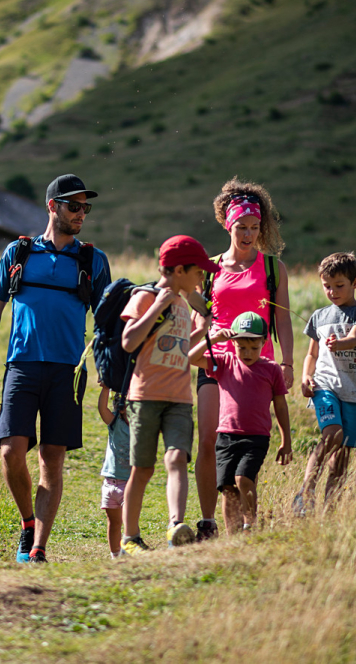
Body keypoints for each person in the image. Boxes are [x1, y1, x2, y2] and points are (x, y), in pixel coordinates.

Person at [0, 174, 111, 564]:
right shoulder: (19, 253)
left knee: (52, 456)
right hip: (22, 365)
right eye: (73, 205)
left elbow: (106, 320)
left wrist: (110, 372)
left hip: (68, 371)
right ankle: (27, 522)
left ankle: (38, 547)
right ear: (52, 206)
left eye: (85, 207)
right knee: (10, 452)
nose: (81, 213)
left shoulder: (92, 260)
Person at [193, 178, 294, 542]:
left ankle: (246, 527)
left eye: (254, 227)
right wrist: (199, 341)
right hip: (215, 363)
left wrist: (288, 362)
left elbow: (281, 319)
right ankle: (208, 523)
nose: (248, 234)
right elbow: (200, 314)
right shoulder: (211, 267)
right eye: (241, 227)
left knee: (248, 446)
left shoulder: (272, 269)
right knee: (209, 441)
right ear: (227, 224)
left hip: (256, 368)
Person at [120, 235, 221, 556]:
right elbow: (129, 341)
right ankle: (130, 538)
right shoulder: (146, 296)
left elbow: (178, 348)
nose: (201, 279)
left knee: (177, 457)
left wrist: (203, 331)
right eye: (198, 273)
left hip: (180, 397)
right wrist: (158, 306)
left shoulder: (184, 304)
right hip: (145, 395)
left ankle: (176, 525)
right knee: (143, 468)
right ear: (179, 270)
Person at [188, 311, 293, 534]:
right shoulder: (224, 362)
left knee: (243, 477)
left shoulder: (271, 369)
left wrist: (286, 440)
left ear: (264, 343)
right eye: (241, 347)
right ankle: (233, 536)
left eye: (254, 348)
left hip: (256, 437)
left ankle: (250, 525)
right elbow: (189, 358)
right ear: (232, 343)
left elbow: (281, 407)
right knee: (227, 488)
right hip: (226, 436)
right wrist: (214, 340)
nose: (247, 353)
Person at [294, 252, 356, 514]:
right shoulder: (319, 316)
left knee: (342, 454)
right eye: (326, 286)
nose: (332, 291)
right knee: (332, 435)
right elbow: (312, 354)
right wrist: (307, 377)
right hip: (325, 386)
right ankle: (306, 491)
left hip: (355, 390)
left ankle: (330, 510)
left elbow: (354, 337)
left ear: (355, 283)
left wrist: (341, 343)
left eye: (339, 285)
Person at [97, 387, 130, 559]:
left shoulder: (141, 429)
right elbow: (102, 409)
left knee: (128, 523)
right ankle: (115, 556)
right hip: (109, 483)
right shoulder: (115, 423)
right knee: (113, 522)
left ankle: (129, 548)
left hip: (128, 484)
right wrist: (105, 388)